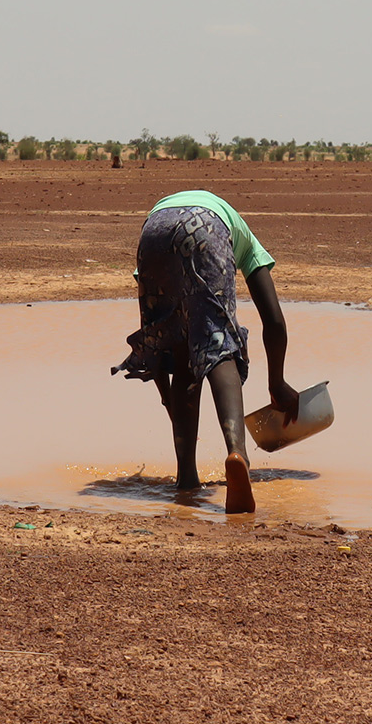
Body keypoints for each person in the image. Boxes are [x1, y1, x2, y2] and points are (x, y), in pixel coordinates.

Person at [114, 189, 298, 514]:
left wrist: (167, 398)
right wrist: (277, 383)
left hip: (152, 233)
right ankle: (237, 453)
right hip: (204, 226)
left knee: (181, 348)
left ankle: (186, 479)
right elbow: (275, 321)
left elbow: (155, 335)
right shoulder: (246, 241)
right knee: (219, 344)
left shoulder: (163, 216)